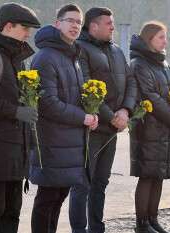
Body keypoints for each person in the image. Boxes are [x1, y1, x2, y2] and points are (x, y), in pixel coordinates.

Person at [29, 4, 99, 233]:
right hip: (52, 141)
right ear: (57, 23)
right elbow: (47, 103)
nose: (75, 26)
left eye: (79, 23)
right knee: (47, 199)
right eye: (70, 21)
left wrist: (92, 112)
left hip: (70, 142)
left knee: (59, 197)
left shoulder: (72, 56)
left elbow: (74, 98)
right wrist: (83, 117)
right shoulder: (46, 57)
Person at [69, 7, 137, 233]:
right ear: (94, 26)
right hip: (92, 128)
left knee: (101, 182)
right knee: (83, 184)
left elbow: (130, 81)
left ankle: (97, 228)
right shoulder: (80, 48)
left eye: (113, 23)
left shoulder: (117, 51)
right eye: (108, 23)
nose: (113, 27)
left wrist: (126, 110)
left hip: (112, 128)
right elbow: (85, 87)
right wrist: (112, 116)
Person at [129, 21, 170, 233]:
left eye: (165, 36)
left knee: (159, 175)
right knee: (147, 176)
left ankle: (153, 219)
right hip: (149, 129)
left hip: (166, 130)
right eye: (161, 37)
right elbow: (149, 95)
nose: (165, 41)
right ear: (149, 39)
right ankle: (141, 223)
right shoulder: (139, 64)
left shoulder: (163, 64)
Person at [0, 3, 40, 233]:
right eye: (25, 27)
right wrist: (15, 111)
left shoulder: (18, 58)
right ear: (8, 26)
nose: (28, 33)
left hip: (15, 152)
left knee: (12, 212)